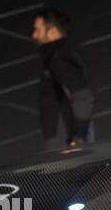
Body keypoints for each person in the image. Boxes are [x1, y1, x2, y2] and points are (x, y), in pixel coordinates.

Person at [31, 8, 95, 150]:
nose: (34, 35)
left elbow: (83, 97)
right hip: (64, 144)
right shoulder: (57, 57)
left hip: (67, 145)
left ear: (53, 31)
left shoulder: (59, 58)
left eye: (38, 30)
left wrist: (78, 140)